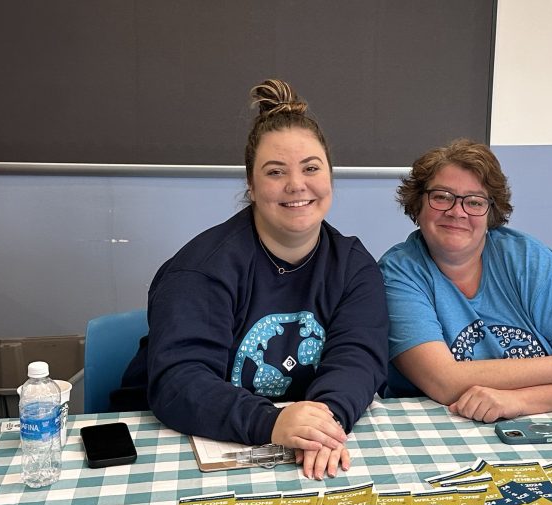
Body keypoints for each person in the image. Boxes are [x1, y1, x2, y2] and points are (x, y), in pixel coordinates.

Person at [116, 79, 388, 479]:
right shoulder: (203, 269)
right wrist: (272, 423)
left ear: (330, 176)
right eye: (276, 172)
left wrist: (324, 423)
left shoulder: (354, 267)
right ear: (252, 185)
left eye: (311, 168)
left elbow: (359, 359)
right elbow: (180, 380)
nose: (297, 185)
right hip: (179, 442)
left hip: (302, 446)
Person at [378, 139, 552, 422]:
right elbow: (443, 381)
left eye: (475, 202)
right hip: (439, 427)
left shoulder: (530, 261)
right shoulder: (399, 273)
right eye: (442, 197)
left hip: (541, 423)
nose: (457, 211)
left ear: (491, 212)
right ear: (418, 204)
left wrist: (518, 401)